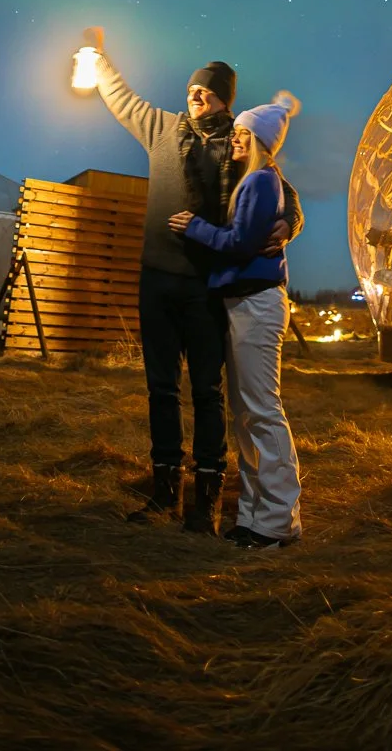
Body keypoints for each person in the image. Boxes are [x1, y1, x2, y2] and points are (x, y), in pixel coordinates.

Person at [90, 41, 304, 534]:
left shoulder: (240, 139)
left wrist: (289, 222)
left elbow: (281, 190)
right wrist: (98, 62)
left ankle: (204, 504)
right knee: (160, 389)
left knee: (208, 392)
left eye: (206, 90)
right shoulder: (162, 128)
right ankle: (164, 492)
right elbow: (121, 97)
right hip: (157, 279)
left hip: (207, 285)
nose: (196, 95)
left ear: (226, 100)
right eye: (191, 88)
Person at [169, 92, 303, 549]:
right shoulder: (255, 178)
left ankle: (278, 523)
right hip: (243, 303)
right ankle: (254, 517)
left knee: (262, 412)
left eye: (246, 135)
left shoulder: (264, 181)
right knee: (245, 415)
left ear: (265, 143)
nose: (236, 142)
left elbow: (243, 242)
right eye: (237, 134)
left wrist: (194, 227)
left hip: (258, 302)